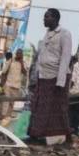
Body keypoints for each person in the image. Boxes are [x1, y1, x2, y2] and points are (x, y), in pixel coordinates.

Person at [28, 8, 72, 141]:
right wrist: (36, 77)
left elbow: (65, 57)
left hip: (55, 78)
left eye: (47, 17)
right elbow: (41, 57)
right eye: (44, 17)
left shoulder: (64, 34)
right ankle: (37, 134)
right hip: (43, 76)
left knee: (57, 109)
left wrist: (60, 81)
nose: (44, 19)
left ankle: (61, 137)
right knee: (40, 107)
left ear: (55, 19)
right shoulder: (47, 34)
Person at [0, 49, 27, 119]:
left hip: (16, 87)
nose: (18, 55)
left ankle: (7, 118)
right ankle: (3, 117)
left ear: (22, 55)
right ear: (16, 54)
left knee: (12, 103)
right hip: (8, 85)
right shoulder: (11, 61)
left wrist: (22, 63)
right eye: (18, 53)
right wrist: (1, 84)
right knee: (6, 102)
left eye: (20, 54)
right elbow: (3, 72)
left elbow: (25, 73)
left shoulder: (23, 63)